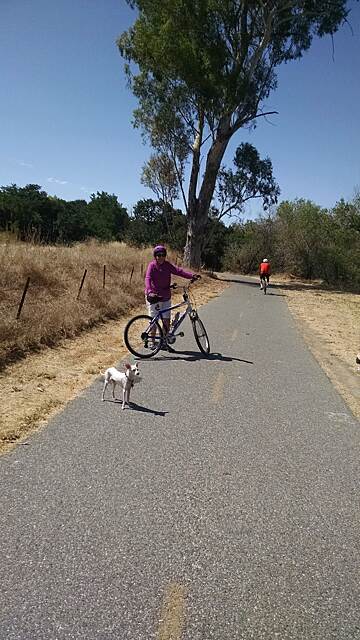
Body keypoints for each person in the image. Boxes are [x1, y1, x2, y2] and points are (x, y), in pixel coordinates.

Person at [145, 245, 199, 344]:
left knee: (166, 321)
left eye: (163, 255)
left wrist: (192, 276)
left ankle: (164, 342)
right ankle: (152, 342)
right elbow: (148, 279)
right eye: (158, 255)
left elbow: (179, 271)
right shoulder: (152, 266)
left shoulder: (167, 265)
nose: (160, 257)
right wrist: (149, 291)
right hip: (155, 297)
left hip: (166, 296)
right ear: (155, 256)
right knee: (154, 321)